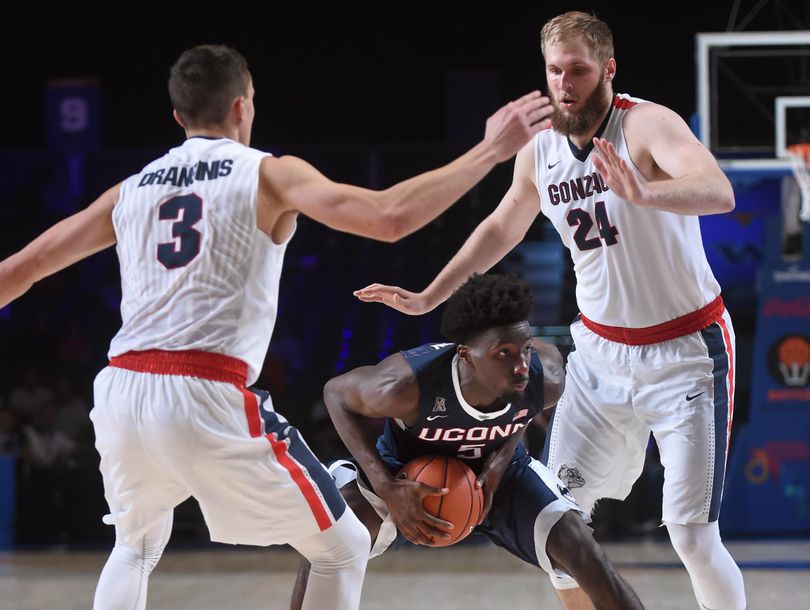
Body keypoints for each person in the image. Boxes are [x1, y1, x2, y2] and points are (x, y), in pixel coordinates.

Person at [0, 45, 552, 610]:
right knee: (343, 546)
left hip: (121, 389)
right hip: (204, 388)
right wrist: (489, 150)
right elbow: (389, 219)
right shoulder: (266, 173)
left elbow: (22, 269)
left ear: (178, 117)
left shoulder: (131, 189)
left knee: (134, 546)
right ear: (242, 106)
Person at [354, 12, 746, 610]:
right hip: (598, 353)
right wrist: (432, 295)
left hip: (685, 351)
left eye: (580, 71)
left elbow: (718, 191)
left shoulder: (645, 124)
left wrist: (646, 192)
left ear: (608, 70)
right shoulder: (540, 151)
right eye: (555, 71)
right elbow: (498, 228)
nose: (566, 83)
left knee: (692, 534)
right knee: (560, 525)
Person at [291, 273, 643, 610]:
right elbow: (335, 394)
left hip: (500, 476)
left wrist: (497, 466)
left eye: (524, 348)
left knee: (581, 548)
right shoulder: (406, 386)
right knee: (332, 538)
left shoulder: (544, 377)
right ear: (465, 354)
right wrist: (385, 485)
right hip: (405, 475)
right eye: (503, 353)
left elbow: (522, 409)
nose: (520, 365)